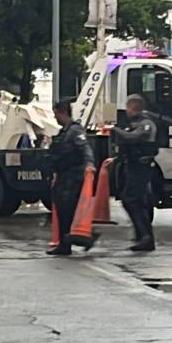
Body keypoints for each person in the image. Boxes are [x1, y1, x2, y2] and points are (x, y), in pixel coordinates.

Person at [47, 100, 95, 256]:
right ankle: (66, 243)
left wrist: (89, 164)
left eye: (56, 114)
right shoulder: (64, 132)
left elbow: (85, 148)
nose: (55, 118)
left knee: (66, 209)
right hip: (64, 175)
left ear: (62, 113)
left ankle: (67, 244)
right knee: (64, 210)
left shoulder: (75, 130)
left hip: (72, 176)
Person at [113, 94, 159, 251]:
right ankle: (143, 235)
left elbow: (132, 137)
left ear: (133, 107)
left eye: (128, 107)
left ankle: (146, 237)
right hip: (133, 166)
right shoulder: (135, 123)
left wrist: (114, 130)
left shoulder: (146, 123)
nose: (126, 111)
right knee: (136, 200)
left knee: (132, 199)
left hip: (141, 167)